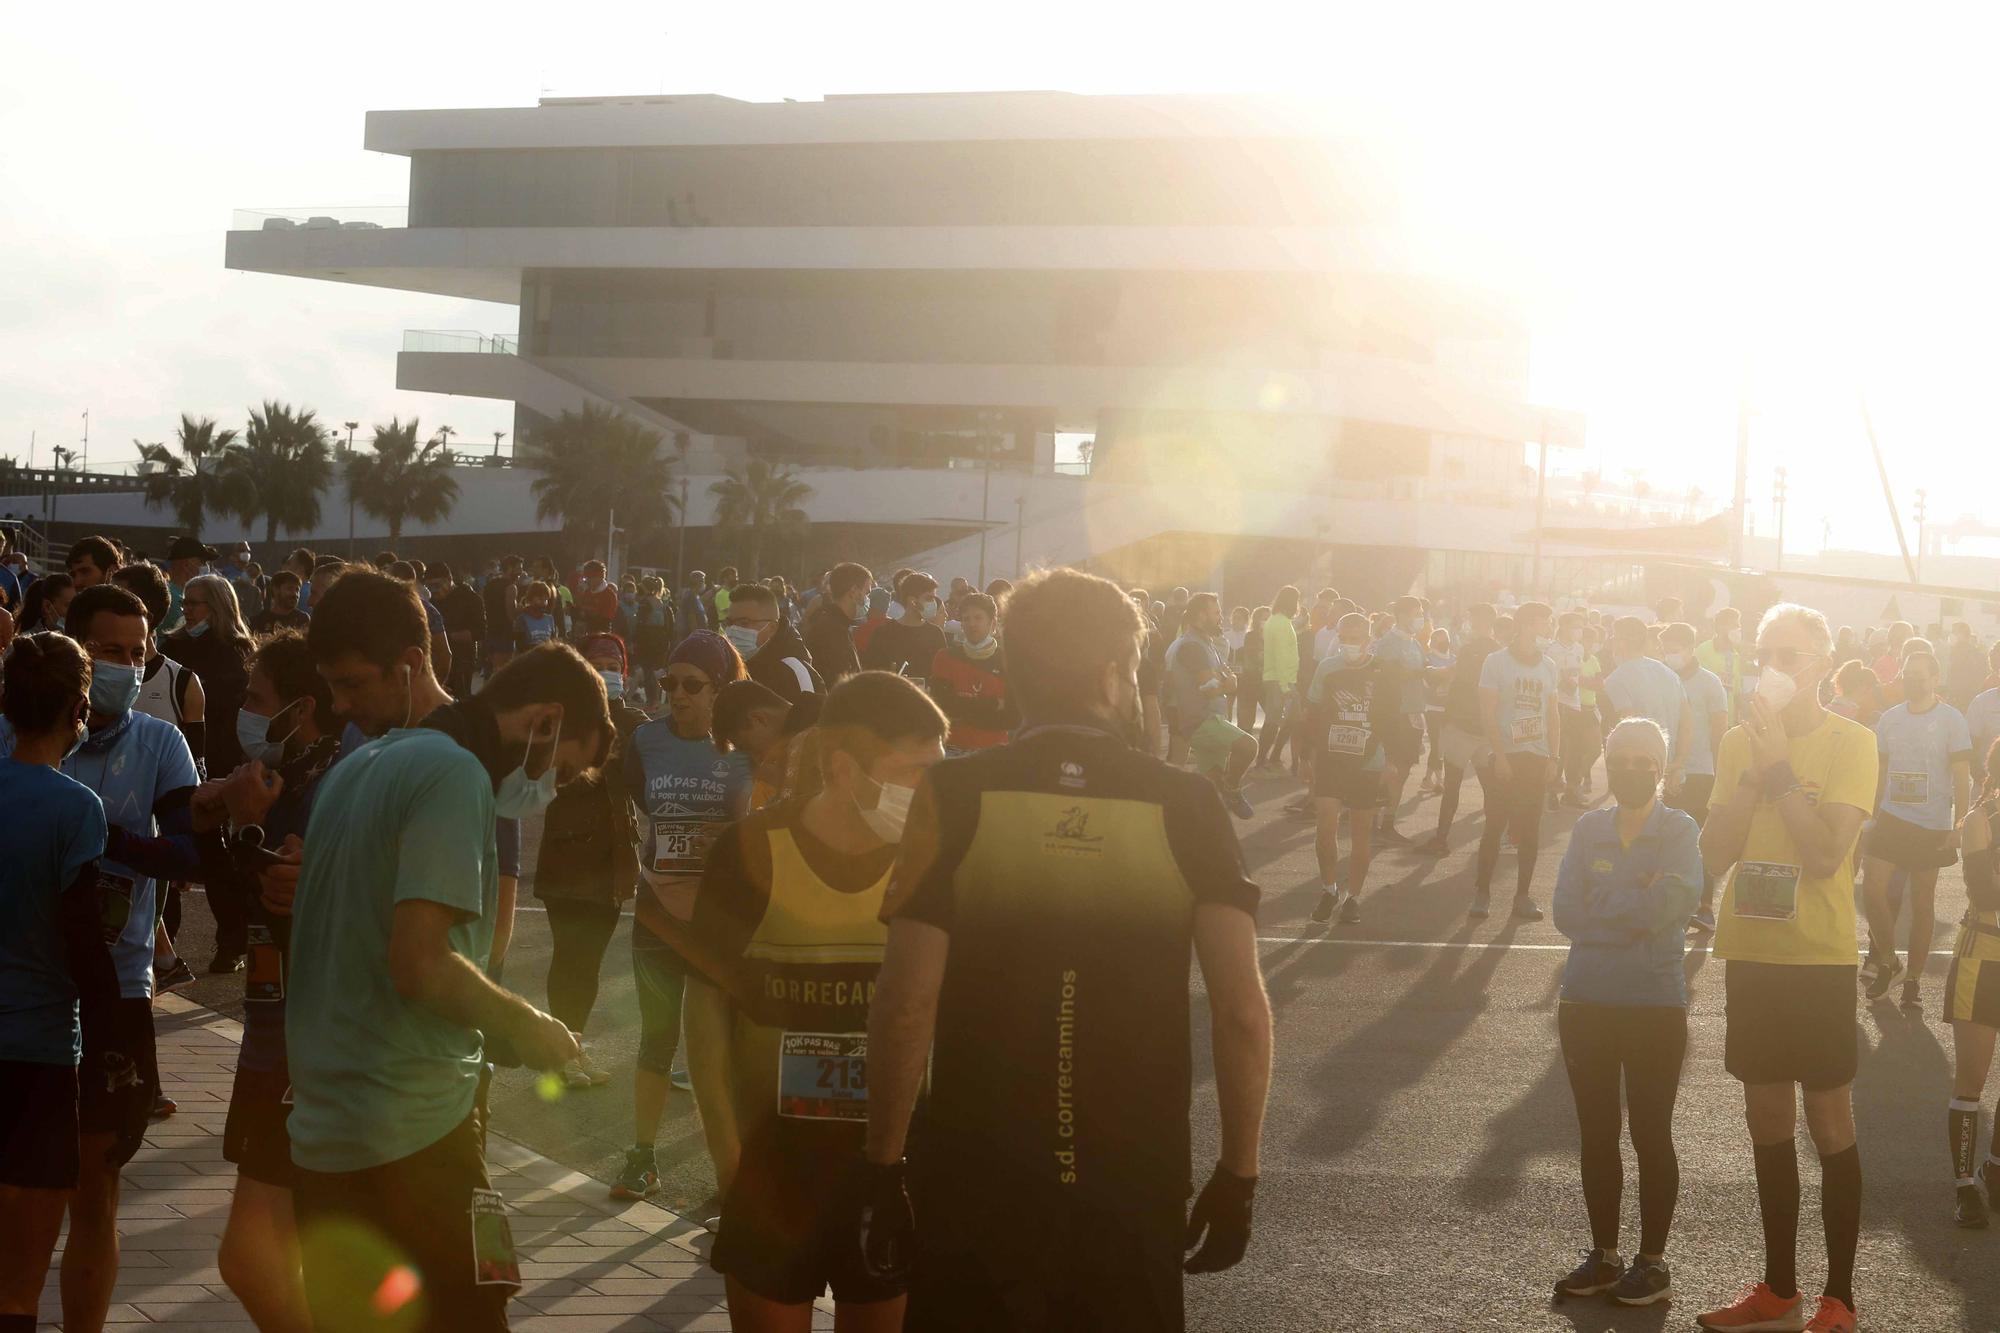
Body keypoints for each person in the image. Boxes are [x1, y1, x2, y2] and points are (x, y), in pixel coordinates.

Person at [862, 567, 1271, 1333]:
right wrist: (1239, 1172)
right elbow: (1242, 1010)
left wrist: (883, 1168)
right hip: (1132, 1178)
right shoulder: (1187, 802)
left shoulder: (953, 793)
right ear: (1114, 675)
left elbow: (906, 999)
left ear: (1013, 669)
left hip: (976, 1170)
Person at [288, 591, 606, 1333]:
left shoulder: (357, 767)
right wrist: (528, 1023)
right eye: (560, 770)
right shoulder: (451, 772)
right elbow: (421, 963)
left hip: (326, 1138)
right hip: (416, 1135)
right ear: (547, 721)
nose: (546, 790)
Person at [655, 672, 944, 1329]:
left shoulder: (936, 861)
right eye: (912, 771)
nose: (930, 790)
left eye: (938, 769)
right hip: (775, 1169)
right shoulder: (752, 849)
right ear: (844, 767)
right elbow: (704, 1012)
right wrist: (729, 1160)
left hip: (890, 1168)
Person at [7, 584, 213, 1330]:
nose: (128, 665)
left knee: (96, 1192)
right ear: (75, 653)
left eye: (139, 652)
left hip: (114, 990)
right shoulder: (12, 733)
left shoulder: (159, 742)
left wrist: (107, 842)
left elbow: (189, 852)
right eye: (111, 651)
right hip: (31, 1006)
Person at [1696, 603, 1873, 1333]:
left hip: (1820, 956)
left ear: (1823, 664)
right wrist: (1754, 771)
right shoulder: (1739, 741)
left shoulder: (1851, 741)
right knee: (1765, 1117)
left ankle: (1839, 1296)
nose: (1775, 663)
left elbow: (1826, 853)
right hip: (1754, 951)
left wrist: (1779, 771)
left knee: (1828, 1121)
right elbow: (1713, 851)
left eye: (1791, 653)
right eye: (1766, 650)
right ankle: (1778, 1287)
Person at [211, 630, 342, 1332]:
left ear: (301, 708)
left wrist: (247, 827)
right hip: (269, 1035)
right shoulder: (286, 781)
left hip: (305, 1046)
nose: (246, 712)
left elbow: (310, 933)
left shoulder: (328, 788)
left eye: (258, 699)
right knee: (262, 1259)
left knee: (256, 1256)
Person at [1550, 719, 1702, 1307]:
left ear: (1661, 768)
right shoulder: (1589, 827)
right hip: (1584, 1001)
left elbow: (1673, 902)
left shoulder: (1680, 829)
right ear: (1606, 762)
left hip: (1653, 1004)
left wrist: (1608, 909)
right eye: (1621, 758)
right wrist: (1633, 903)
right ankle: (1606, 1255)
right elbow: (1565, 909)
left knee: (1650, 1133)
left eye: (1646, 760)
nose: (1633, 769)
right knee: (1596, 1133)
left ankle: (1653, 1262)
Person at [0, 632, 126, 1333]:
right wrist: (123, 1056)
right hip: (40, 1055)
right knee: (17, 1287)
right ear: (80, 708)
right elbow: (83, 942)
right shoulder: (76, 808)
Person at [611, 631, 753, 1200]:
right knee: (657, 1036)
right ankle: (641, 1158)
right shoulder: (646, 740)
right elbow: (634, 800)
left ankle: (732, 1175)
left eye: (692, 685)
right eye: (669, 682)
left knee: (721, 1049)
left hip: (721, 921)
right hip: (659, 913)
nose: (677, 694)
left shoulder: (746, 747)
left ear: (722, 690)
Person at [533, 633, 648, 1089]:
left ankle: (572, 1050)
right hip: (567, 858)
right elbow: (551, 774)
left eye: (614, 664)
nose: (607, 671)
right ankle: (558, 1055)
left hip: (614, 860)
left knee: (590, 965)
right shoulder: (558, 720)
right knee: (569, 961)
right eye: (597, 663)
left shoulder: (634, 720)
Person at [1858, 649, 1972, 1007]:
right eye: (1907, 675)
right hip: (1892, 817)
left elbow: (1962, 777)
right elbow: (1878, 772)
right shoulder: (1890, 719)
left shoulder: (1951, 720)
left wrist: (1960, 822)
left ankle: (1914, 980)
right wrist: (1868, 813)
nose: (1912, 681)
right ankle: (1890, 960)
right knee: (1872, 889)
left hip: (1932, 824)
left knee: (1923, 904)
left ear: (1935, 679)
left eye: (1920, 676)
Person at [1304, 612, 1399, 926]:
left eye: (1356, 639)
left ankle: (1352, 897)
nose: (1349, 644)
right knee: (1326, 825)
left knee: (1361, 833)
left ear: (1369, 639)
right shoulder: (1328, 668)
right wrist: (1308, 755)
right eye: (1343, 638)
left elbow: (1390, 719)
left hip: (1368, 760)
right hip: (1332, 759)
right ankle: (1329, 888)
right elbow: (1313, 712)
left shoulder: (1382, 671)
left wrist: (1392, 761)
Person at [1473, 601, 1559, 920]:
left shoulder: (1549, 665)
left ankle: (1522, 896)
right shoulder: (1496, 661)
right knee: (1495, 825)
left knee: (1530, 830)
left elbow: (1553, 713)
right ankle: (1482, 892)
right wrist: (1500, 755)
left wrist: (1554, 755)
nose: (1548, 630)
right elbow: (1487, 711)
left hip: (1536, 758)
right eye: (1544, 623)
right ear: (1526, 625)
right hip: (1504, 757)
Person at [1945, 740, 2000, 1228]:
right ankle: (1965, 1186)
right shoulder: (1982, 818)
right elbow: (1985, 891)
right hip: (1982, 959)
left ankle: (1997, 1170)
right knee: (1972, 1081)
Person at [1662, 622, 1730, 932]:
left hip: (1702, 770)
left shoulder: (1709, 683)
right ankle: (1672, 904)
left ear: (1691, 648)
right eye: (1666, 648)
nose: (1669, 655)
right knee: (1670, 840)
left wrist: (1722, 772)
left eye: (1675, 649)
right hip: (1666, 770)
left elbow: (1720, 729)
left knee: (1701, 840)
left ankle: (1704, 907)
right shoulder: (1661, 678)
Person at [1165, 593, 1257, 818]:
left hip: (1212, 718)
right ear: (1200, 615)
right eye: (1216, 613)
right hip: (1201, 722)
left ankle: (1190, 825)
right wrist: (1227, 684)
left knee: (1211, 784)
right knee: (1248, 746)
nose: (1221, 617)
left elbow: (1223, 676)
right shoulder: (1191, 646)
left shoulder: (1206, 642)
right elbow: (1211, 687)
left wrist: (1225, 681)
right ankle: (1232, 789)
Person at [1425, 602, 1500, 855]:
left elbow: (1455, 676)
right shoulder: (1500, 652)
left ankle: (1441, 840)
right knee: (1490, 788)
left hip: (1463, 725)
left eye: (1473, 618)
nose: (1470, 623)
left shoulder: (1470, 650)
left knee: (1453, 786)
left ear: (1482, 621)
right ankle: (1494, 839)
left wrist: (1429, 672)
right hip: (1486, 728)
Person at [163, 572, 254, 777]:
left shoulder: (236, 650)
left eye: (193, 604)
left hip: (217, 750)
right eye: (184, 603)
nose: (186, 610)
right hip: (174, 747)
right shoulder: (174, 644)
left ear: (217, 606)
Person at [1603, 616, 1692, 787]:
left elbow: (1630, 727)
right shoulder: (1669, 673)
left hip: (1640, 770)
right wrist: (1679, 763)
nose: (1611, 642)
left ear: (1621, 643)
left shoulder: (1617, 679)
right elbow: (1687, 722)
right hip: (1670, 767)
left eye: (1613, 638)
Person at [927, 591, 1016, 752]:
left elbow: (1012, 718)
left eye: (978, 617)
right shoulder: (945, 657)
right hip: (952, 750)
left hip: (994, 752)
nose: (971, 624)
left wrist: (962, 708)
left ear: (993, 623)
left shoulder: (1009, 661)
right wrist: (993, 704)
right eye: (966, 619)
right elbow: (941, 708)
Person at [1372, 595, 1429, 842]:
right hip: (1396, 712)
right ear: (1403, 615)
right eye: (1417, 613)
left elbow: (1420, 671)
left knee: (1404, 769)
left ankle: (1387, 820)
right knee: (1392, 768)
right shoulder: (1389, 642)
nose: (1420, 618)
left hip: (1414, 711)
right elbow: (1387, 675)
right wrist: (1420, 672)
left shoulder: (1414, 643)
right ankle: (1376, 819)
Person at [726, 582, 825, 720]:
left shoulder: (795, 672)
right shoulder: (729, 664)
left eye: (744, 623)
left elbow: (809, 731)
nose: (733, 630)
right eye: (730, 623)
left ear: (772, 628)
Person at [862, 573, 948, 679]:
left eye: (934, 598)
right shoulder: (883, 633)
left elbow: (944, 675)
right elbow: (871, 673)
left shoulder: (935, 634)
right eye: (929, 598)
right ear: (913, 601)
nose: (933, 603)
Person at [803, 561, 871, 686]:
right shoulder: (832, 630)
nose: (867, 599)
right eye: (867, 592)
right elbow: (840, 683)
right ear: (854, 591)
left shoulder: (836, 623)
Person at [1256, 585, 1301, 770]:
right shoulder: (1282, 623)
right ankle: (1264, 760)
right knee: (1276, 721)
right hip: (1282, 680)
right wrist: (1285, 687)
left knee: (1289, 720)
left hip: (1277, 677)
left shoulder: (1273, 620)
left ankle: (1269, 757)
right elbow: (1282, 654)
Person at [428, 563, 486, 699]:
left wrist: (445, 637)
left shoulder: (469, 598)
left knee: (460, 701)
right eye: (429, 586)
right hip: (435, 660)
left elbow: (480, 631)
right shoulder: (431, 601)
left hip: (462, 660)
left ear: (449, 579)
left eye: (436, 585)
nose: (433, 590)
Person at [1697, 608, 1747, 725]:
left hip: (1728, 723)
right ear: (1720, 627)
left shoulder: (1736, 656)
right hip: (1706, 722)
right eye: (1734, 625)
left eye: (1738, 625)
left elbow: (1736, 693)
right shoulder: (1702, 651)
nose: (1738, 628)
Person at [483, 554, 524, 673]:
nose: (521, 572)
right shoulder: (511, 587)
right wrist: (522, 609)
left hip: (490, 633)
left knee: (491, 671)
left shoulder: (489, 585)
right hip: (504, 635)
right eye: (519, 569)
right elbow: (511, 614)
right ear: (510, 568)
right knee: (502, 671)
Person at [249, 569, 311, 635]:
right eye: (290, 588)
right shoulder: (259, 621)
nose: (295, 594)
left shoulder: (302, 620)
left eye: (297, 590)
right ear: (276, 589)